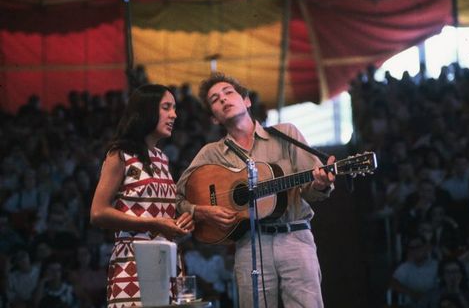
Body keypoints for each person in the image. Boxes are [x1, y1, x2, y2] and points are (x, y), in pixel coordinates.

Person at [176, 73, 336, 307]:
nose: (223, 99)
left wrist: (320, 184)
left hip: (294, 237)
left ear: (246, 100)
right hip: (248, 243)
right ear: (213, 119)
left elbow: (310, 191)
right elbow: (179, 196)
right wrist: (200, 211)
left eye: (228, 92)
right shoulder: (211, 153)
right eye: (214, 99)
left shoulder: (285, 134)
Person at [89, 84, 194, 308]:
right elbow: (97, 213)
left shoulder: (163, 159)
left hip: (167, 263)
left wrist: (179, 223)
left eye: (174, 108)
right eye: (166, 107)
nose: (174, 114)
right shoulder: (119, 155)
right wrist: (153, 223)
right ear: (147, 111)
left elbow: (161, 214)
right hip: (132, 264)